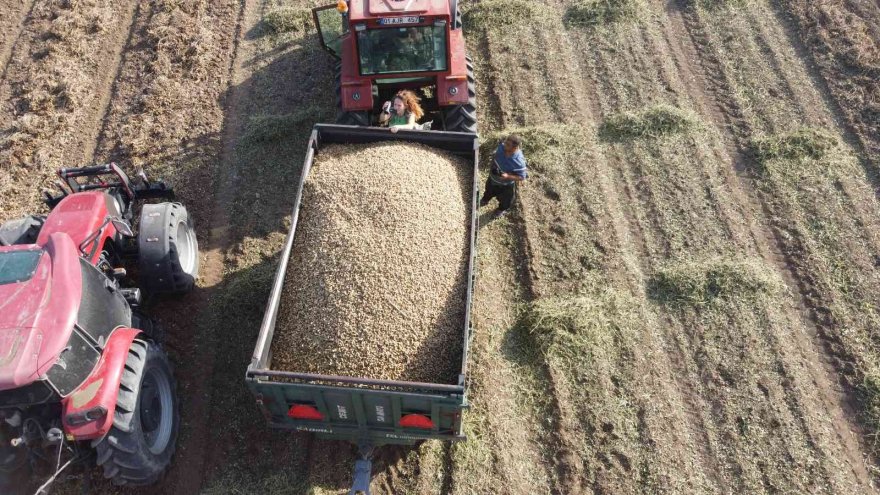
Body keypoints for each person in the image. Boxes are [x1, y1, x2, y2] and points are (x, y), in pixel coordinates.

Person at [480, 134, 528, 219]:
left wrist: (508, 176)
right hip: (493, 178)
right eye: (505, 142)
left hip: (506, 185)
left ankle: (500, 210)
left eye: (508, 145)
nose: (504, 145)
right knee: (488, 191)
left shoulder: (518, 161)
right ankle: (485, 200)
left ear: (515, 148)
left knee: (506, 200)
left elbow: (521, 177)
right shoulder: (501, 147)